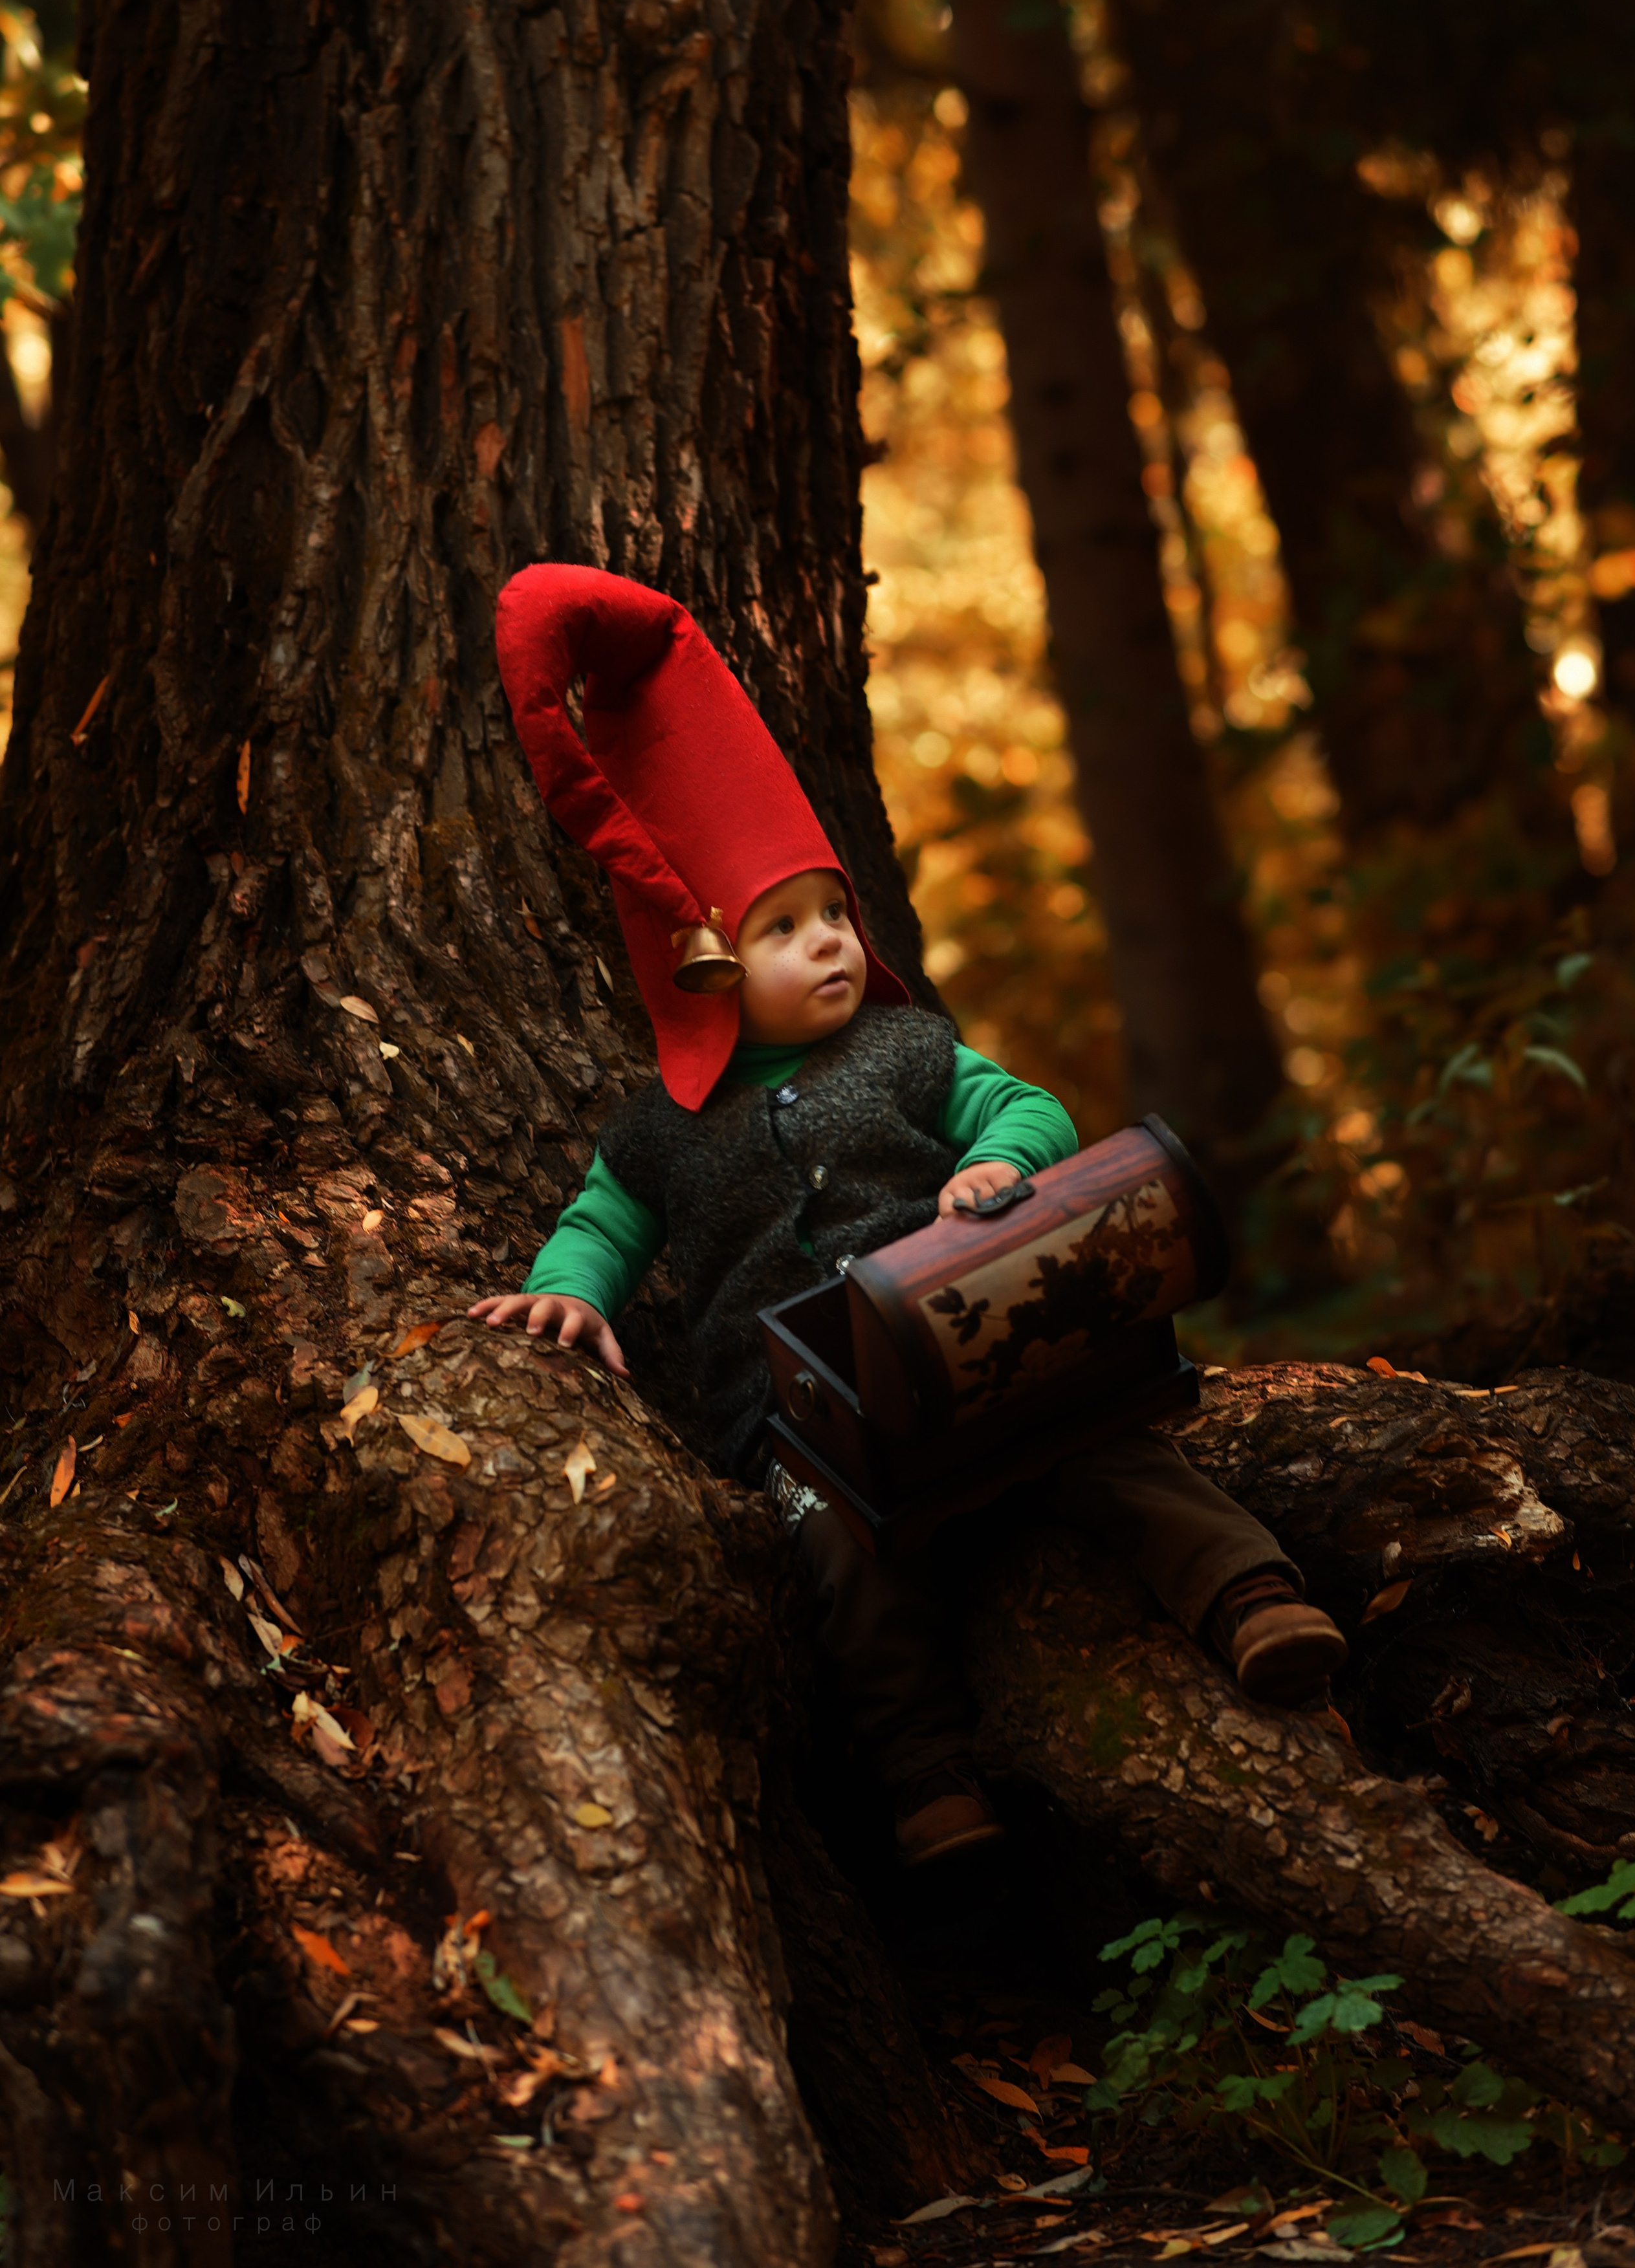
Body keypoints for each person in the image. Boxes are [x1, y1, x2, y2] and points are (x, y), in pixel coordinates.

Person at [473, 565, 1347, 1866]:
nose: (830, 941)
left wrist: (991, 1169)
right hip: (803, 1420)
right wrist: (574, 1288)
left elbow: (1028, 1108)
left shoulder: (902, 1048)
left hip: (966, 1346)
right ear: (699, 963)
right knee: (839, 1567)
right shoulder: (659, 1125)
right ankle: (926, 1774)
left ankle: (1247, 1593)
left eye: (834, 911)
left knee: (1107, 1445)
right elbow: (605, 1219)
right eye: (784, 926)